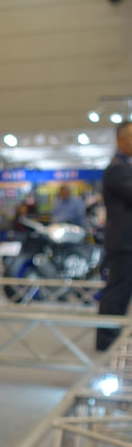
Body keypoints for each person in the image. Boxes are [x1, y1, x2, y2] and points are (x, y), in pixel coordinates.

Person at [98, 122, 132, 351]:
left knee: (120, 292)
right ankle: (107, 344)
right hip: (124, 243)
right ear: (121, 140)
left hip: (126, 242)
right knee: (117, 293)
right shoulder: (117, 169)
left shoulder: (124, 167)